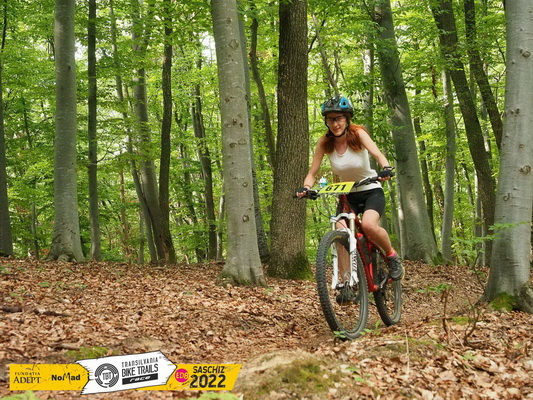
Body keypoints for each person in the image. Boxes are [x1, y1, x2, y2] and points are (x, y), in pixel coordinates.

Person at [297, 95, 403, 284]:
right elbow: (313, 172)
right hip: (348, 195)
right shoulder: (324, 142)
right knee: (341, 234)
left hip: (371, 190)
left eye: (338, 118)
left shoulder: (358, 134)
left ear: (347, 118)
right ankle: (346, 284)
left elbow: (378, 154)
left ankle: (392, 256)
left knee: (369, 226)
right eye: (330, 119)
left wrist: (386, 168)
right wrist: (306, 188)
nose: (335, 124)